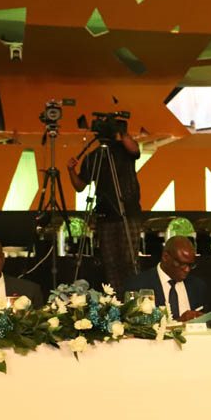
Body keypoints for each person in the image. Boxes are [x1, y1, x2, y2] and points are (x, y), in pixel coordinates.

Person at [67, 124, 143, 294]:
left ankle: (133, 297)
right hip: (105, 215)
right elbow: (80, 186)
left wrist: (121, 130)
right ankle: (115, 297)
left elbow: (135, 150)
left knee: (129, 260)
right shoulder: (93, 157)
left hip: (128, 212)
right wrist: (71, 170)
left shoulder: (124, 150)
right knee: (110, 262)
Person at [122, 236, 208, 322]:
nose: (187, 269)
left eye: (190, 265)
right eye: (182, 264)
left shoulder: (197, 286)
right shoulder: (138, 285)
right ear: (165, 257)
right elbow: (132, 324)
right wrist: (179, 322)